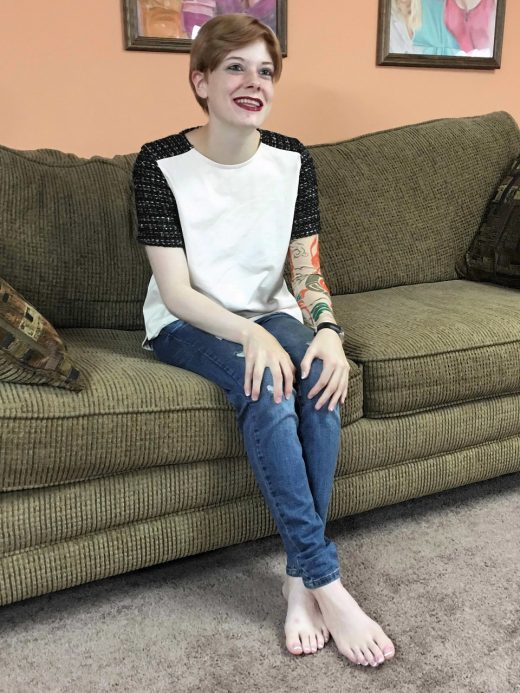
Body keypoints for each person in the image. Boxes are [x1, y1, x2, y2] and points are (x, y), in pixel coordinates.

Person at [132, 13, 395, 667]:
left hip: (271, 311)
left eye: (266, 71)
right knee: (269, 382)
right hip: (188, 322)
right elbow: (177, 291)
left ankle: (297, 579)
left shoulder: (293, 159)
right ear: (201, 81)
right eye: (235, 68)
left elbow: (304, 271)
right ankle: (324, 578)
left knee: (322, 376)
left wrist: (327, 333)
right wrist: (252, 336)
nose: (254, 82)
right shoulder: (159, 163)